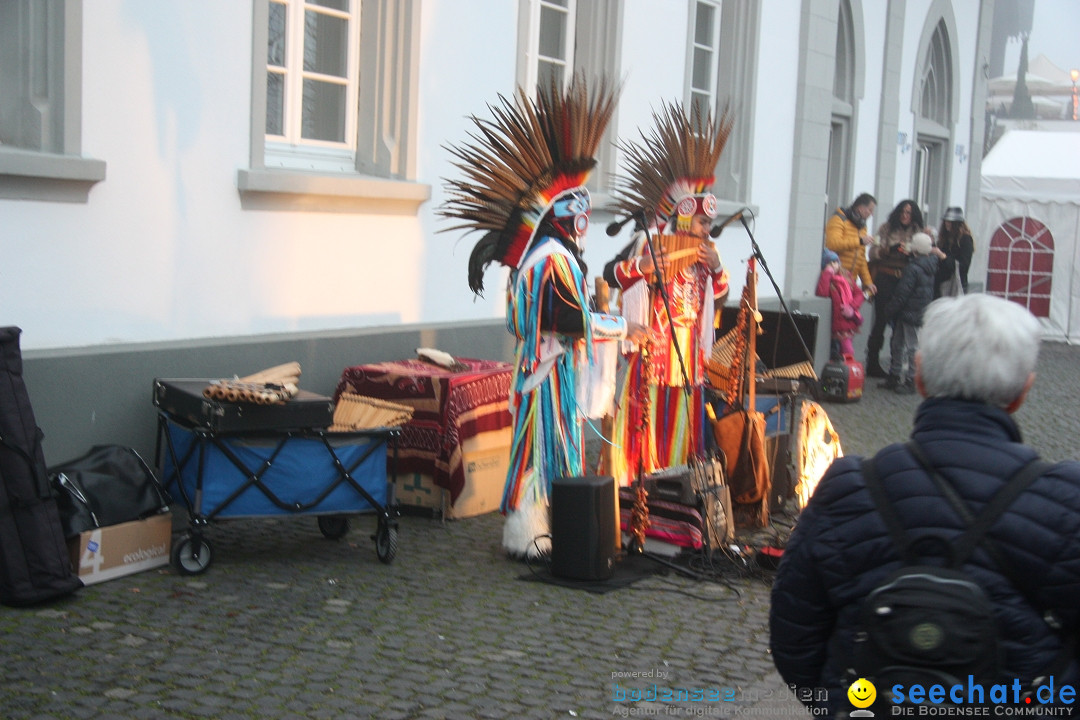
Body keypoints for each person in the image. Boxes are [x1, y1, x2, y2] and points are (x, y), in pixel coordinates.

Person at [770, 293, 1080, 718]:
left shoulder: (848, 488)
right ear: (1022, 393)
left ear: (919, 377)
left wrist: (837, 704)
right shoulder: (1063, 501)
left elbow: (794, 632)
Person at [439, 76, 648, 558]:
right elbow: (565, 320)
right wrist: (621, 326)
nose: (584, 225)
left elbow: (564, 316)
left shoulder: (550, 256)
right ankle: (528, 531)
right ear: (559, 216)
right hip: (543, 373)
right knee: (539, 447)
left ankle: (547, 525)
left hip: (550, 370)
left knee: (554, 447)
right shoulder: (546, 260)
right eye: (578, 216)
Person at [603, 100, 732, 487]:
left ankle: (675, 483)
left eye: (710, 222)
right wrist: (645, 269)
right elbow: (618, 276)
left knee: (682, 419)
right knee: (647, 416)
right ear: (685, 218)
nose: (707, 229)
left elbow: (720, 297)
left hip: (688, 349)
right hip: (654, 349)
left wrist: (717, 268)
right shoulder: (653, 245)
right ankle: (636, 480)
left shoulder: (706, 254)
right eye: (703, 221)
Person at [865, 199, 926, 377]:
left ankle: (895, 366)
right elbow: (872, 251)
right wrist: (888, 250)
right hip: (885, 277)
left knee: (901, 324)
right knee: (881, 320)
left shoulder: (918, 231)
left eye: (909, 213)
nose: (905, 216)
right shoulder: (886, 228)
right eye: (902, 212)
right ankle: (873, 362)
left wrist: (911, 254)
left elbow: (925, 254)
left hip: (906, 280)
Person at [880, 231, 939, 394]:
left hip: (908, 311)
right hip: (918, 310)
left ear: (915, 250)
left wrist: (890, 309)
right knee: (899, 343)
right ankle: (896, 374)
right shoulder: (929, 265)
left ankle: (910, 379)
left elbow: (902, 292)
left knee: (910, 346)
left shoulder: (913, 269)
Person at [824, 193, 877, 300]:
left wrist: (867, 282)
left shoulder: (862, 226)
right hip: (836, 278)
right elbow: (832, 243)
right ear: (861, 208)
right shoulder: (838, 219)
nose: (871, 214)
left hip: (850, 280)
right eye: (870, 210)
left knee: (850, 313)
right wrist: (859, 241)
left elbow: (861, 258)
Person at [815, 248, 864, 361]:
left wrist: (851, 307)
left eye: (835, 262)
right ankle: (845, 371)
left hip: (849, 321)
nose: (834, 265)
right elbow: (822, 293)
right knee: (846, 351)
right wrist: (827, 273)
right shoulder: (828, 279)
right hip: (838, 325)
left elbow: (859, 294)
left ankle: (846, 372)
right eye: (830, 263)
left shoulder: (846, 276)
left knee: (846, 351)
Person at [935, 206, 975, 297]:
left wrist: (943, 257)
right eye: (946, 221)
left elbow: (963, 266)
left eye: (950, 222)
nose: (947, 224)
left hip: (956, 285)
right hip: (941, 284)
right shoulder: (944, 238)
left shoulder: (965, 239)